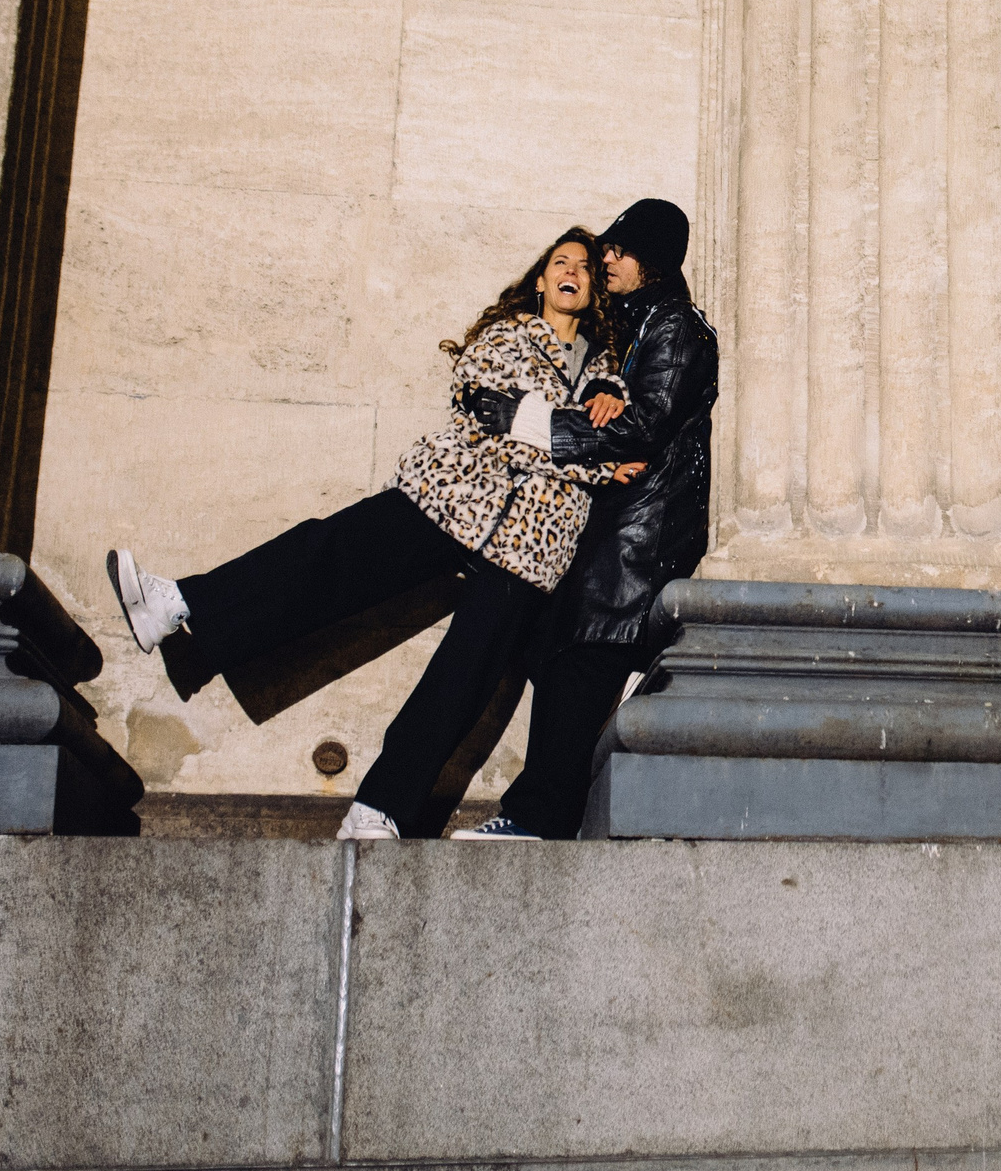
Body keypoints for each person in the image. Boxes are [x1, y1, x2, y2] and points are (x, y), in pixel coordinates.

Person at [104, 229, 641, 839]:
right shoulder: (504, 337)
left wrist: (568, 430)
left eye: (584, 267)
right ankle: (178, 605)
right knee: (325, 554)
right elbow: (491, 412)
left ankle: (379, 809)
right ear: (541, 280)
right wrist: (580, 447)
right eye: (559, 262)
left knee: (462, 680)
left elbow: (611, 446)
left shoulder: (607, 374)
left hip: (534, 543)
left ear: (594, 288)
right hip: (456, 491)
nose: (572, 270)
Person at [448, 197, 718, 840]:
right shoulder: (640, 325)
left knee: (580, 672)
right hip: (620, 530)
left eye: (618, 253)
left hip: (639, 537)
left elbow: (645, 425)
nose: (607, 262)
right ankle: (540, 812)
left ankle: (536, 817)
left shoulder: (676, 325)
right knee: (567, 663)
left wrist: (530, 422)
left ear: (649, 261)